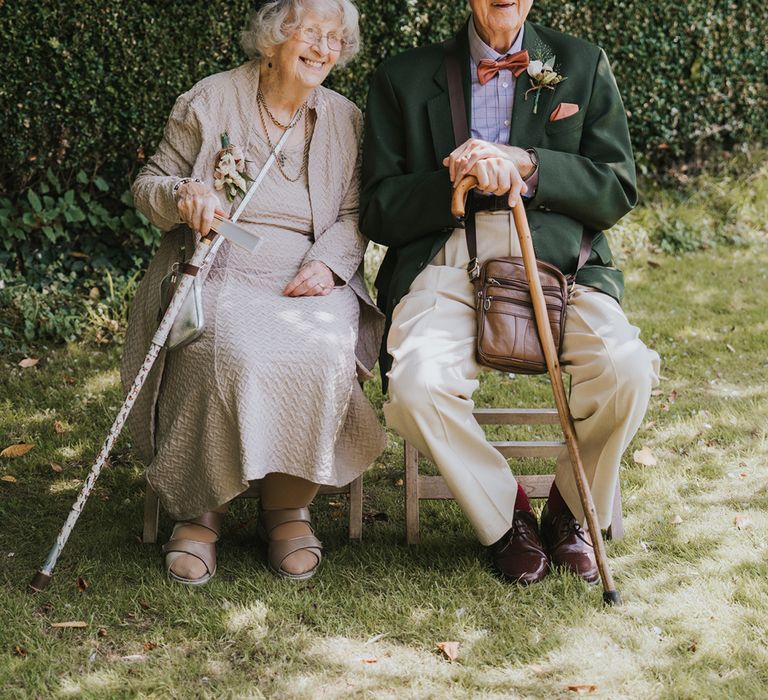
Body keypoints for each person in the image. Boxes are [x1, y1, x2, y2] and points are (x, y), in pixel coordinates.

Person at [360, 0, 660, 585]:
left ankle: (570, 510)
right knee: (416, 386)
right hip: (446, 259)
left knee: (627, 371)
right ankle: (507, 518)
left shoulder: (582, 63)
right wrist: (456, 177)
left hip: (558, 263)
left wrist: (528, 164)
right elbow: (378, 209)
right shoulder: (401, 75)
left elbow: (617, 188)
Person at [122, 0, 384, 585]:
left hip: (306, 272)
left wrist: (332, 264)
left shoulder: (346, 118)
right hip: (221, 261)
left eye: (334, 39)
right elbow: (148, 188)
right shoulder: (211, 100)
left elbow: (354, 213)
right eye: (309, 33)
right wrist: (185, 194)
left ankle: (287, 508)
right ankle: (199, 511)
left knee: (321, 350)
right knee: (225, 346)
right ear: (273, 39)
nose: (322, 48)